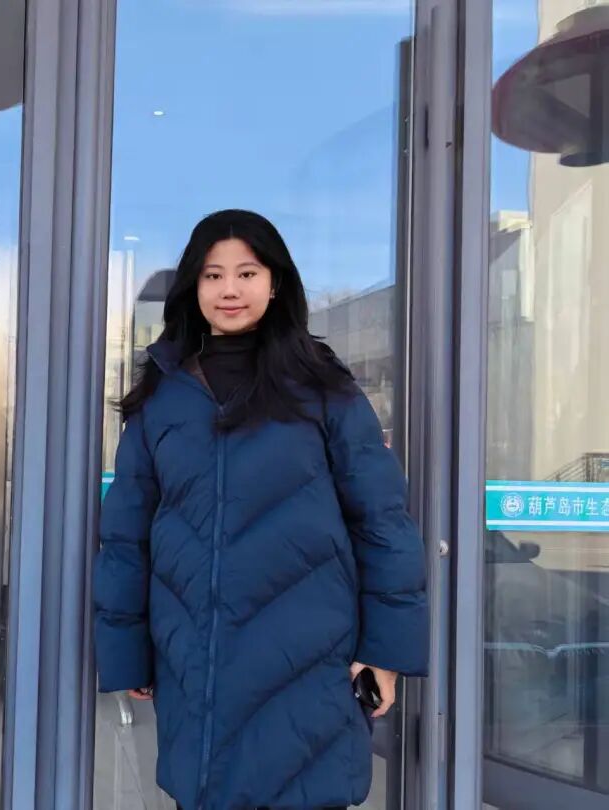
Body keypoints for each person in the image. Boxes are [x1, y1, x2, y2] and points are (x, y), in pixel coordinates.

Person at [92, 210, 429, 810]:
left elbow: (382, 521)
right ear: (193, 288)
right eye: (213, 275)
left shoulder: (323, 386)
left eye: (247, 273)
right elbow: (126, 536)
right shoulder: (161, 395)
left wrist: (386, 651)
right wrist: (129, 651)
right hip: (193, 656)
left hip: (307, 655)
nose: (230, 289)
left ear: (275, 284)